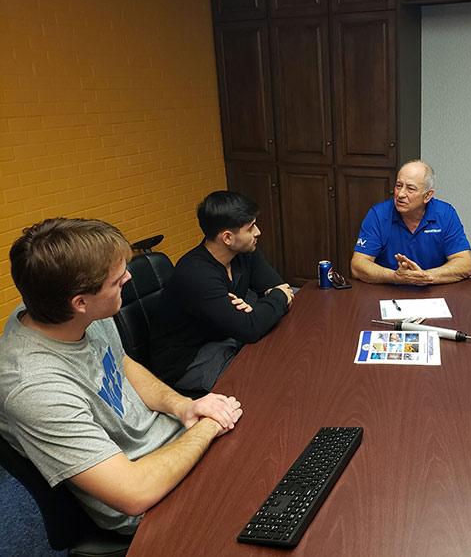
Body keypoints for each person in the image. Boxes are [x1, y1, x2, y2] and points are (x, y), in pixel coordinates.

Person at [0, 218, 242, 535]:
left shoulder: (68, 313)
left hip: (176, 441)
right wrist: (208, 428)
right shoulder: (33, 387)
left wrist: (183, 406)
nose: (128, 278)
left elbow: (122, 362)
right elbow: (133, 493)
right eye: (117, 280)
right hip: (147, 499)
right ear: (80, 302)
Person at [150, 191, 294, 394]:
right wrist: (258, 311)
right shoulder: (197, 273)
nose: (258, 232)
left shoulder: (244, 252)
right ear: (227, 237)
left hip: (223, 336)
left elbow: (280, 288)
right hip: (187, 360)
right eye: (251, 227)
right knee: (265, 383)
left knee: (283, 356)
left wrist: (255, 312)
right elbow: (252, 326)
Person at [350, 160, 471, 286]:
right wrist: (395, 277)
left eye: (410, 188)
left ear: (427, 196)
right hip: (389, 291)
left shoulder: (445, 214)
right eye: (399, 185)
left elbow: (465, 264)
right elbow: (358, 266)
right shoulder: (378, 214)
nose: (401, 194)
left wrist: (425, 276)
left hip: (433, 292)